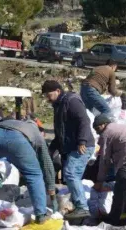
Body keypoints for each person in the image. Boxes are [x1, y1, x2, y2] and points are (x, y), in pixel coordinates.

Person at [42, 80, 95, 220]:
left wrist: (82, 140)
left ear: (58, 91)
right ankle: (78, 207)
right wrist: (51, 150)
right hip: (71, 146)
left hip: (82, 145)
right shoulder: (58, 105)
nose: (47, 98)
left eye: (49, 95)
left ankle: (82, 207)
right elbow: (61, 132)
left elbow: (84, 120)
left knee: (70, 173)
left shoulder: (71, 101)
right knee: (71, 176)